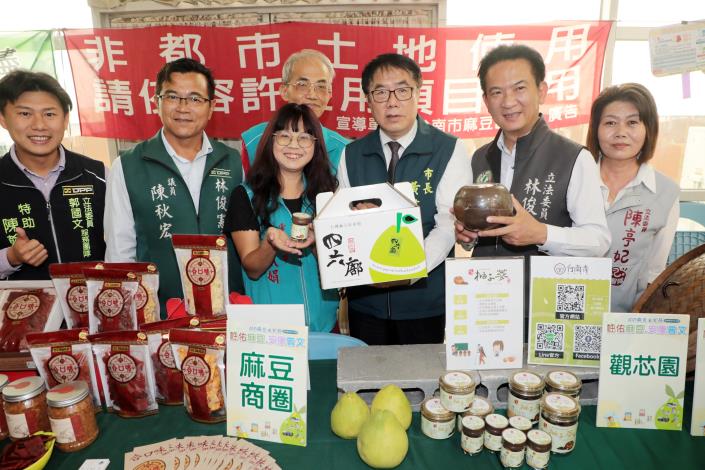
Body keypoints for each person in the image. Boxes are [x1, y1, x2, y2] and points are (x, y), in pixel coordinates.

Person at [337, 53, 472, 345]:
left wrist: (408, 271)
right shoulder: (352, 154)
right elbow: (344, 223)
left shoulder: (448, 149)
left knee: (421, 372)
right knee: (367, 372)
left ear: (418, 93)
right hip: (366, 302)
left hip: (424, 300)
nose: (392, 102)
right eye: (380, 92)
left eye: (402, 90)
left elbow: (447, 225)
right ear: (368, 100)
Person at [455, 45, 610, 276]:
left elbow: (598, 240)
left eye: (519, 88)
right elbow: (475, 238)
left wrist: (541, 234)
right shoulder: (479, 158)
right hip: (487, 290)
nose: (508, 102)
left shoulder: (574, 157)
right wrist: (467, 236)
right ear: (486, 100)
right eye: (496, 92)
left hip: (542, 293)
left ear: (541, 91)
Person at [105, 58, 243, 315]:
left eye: (195, 98)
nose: (183, 107)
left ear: (211, 107)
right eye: (172, 97)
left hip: (228, 312)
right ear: (156, 101)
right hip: (159, 314)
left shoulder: (233, 161)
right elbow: (119, 252)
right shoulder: (127, 166)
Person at [225, 103, 338, 332]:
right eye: (285, 136)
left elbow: (338, 267)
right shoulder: (247, 195)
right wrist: (270, 242)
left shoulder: (328, 195)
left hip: (324, 326)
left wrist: (317, 241)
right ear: (271, 141)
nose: (294, 145)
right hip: (270, 331)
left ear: (315, 145)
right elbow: (252, 268)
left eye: (304, 138)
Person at [0, 70, 106, 280]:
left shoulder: (99, 175)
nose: (39, 125)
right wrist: (11, 257)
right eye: (25, 114)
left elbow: (126, 242)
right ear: (3, 119)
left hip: (93, 297)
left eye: (49, 114)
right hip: (23, 299)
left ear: (65, 119)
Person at [586, 83, 679, 312]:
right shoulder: (574, 179)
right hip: (566, 314)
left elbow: (655, 271)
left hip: (627, 319)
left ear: (648, 130)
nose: (621, 132)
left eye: (632, 123)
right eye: (610, 123)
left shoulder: (665, 192)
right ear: (596, 129)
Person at [241, 49, 348, 175]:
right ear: (284, 91)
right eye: (302, 84)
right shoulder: (254, 139)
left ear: (329, 94)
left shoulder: (343, 149)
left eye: (321, 87)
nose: (312, 95)